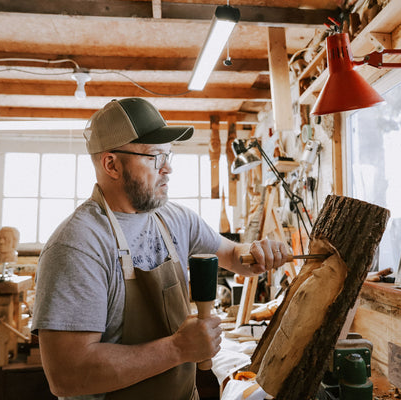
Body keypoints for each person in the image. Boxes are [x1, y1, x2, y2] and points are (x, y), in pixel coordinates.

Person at [32, 98, 290, 400]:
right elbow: (68, 376)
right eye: (155, 157)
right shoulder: (78, 245)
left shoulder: (175, 219)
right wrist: (178, 348)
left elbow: (234, 257)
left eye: (169, 155)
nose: (168, 169)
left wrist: (258, 252)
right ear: (111, 164)